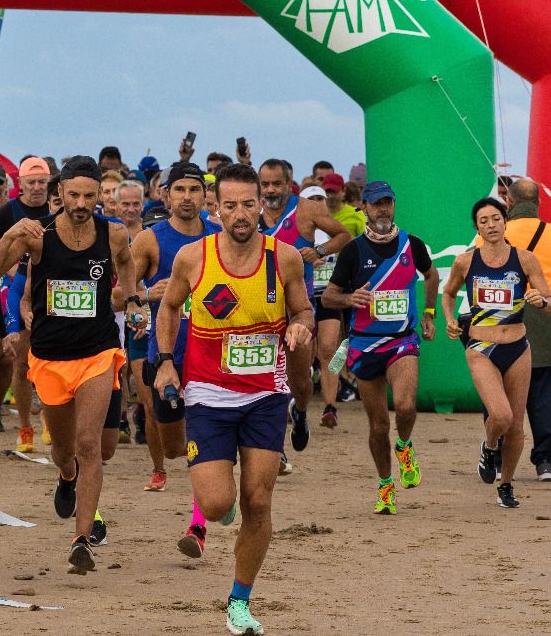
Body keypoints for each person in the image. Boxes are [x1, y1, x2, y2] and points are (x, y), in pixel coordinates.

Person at [150, 163, 312, 636]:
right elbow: (170, 306)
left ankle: (239, 602)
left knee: (258, 500)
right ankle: (220, 511)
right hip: (207, 394)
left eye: (249, 204)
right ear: (214, 207)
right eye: (231, 205)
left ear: (261, 204)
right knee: (219, 505)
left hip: (265, 394)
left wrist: (300, 323)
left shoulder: (284, 259)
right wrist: (164, 361)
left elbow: (302, 305)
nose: (241, 214)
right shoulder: (192, 258)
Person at [0, 156, 135, 573]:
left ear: (100, 195)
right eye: (74, 195)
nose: (82, 203)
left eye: (90, 195)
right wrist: (12, 232)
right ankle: (66, 476)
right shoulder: (37, 236)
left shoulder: (114, 233)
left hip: (99, 353)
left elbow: (125, 263)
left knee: (90, 447)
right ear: (60, 194)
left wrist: (135, 299)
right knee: (64, 451)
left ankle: (82, 538)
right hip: (49, 357)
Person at [321, 181, 438, 514]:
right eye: (376, 204)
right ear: (365, 209)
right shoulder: (353, 251)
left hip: (402, 341)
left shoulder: (411, 244)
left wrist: (429, 313)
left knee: (404, 407)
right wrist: (349, 298)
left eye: (388, 203)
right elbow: (329, 296)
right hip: (365, 345)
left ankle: (404, 446)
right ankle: (386, 485)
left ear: (394, 205)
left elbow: (431, 276)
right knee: (377, 426)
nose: (383, 209)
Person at [442, 197, 551, 508]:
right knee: (501, 415)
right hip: (481, 348)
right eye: (484, 221)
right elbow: (449, 293)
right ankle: (489, 445)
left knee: (517, 424)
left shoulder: (525, 260)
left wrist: (540, 301)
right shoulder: (466, 262)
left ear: (505, 221)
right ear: (476, 227)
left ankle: (505, 485)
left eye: (496, 219)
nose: (491, 225)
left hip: (518, 348)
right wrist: (451, 320)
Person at [126, 161, 218, 555]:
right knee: (176, 447)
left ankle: (199, 524)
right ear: (165, 195)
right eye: (178, 189)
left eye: (193, 190)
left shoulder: (221, 235)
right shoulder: (150, 240)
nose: (186, 197)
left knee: (207, 439)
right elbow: (119, 295)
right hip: (164, 357)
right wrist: (147, 295)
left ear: (204, 196)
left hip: (213, 355)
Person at [258, 158, 349, 458]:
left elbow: (344, 235)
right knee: (265, 376)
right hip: (259, 309)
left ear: (289, 183)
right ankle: (274, 446)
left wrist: (318, 250)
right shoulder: (248, 211)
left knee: (299, 380)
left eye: (276, 184)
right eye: (265, 184)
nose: (270, 190)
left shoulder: (306, 209)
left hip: (299, 309)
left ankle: (299, 411)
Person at [503, 178, 551, 481]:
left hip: (505, 316)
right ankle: (547, 461)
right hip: (549, 315)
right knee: (550, 390)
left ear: (509, 202)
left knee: (502, 388)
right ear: (539, 204)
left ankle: (496, 456)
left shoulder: (495, 233)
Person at [0, 155, 54, 450]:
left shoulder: (59, 210)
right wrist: (18, 269)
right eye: (31, 182)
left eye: (42, 182)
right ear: (20, 184)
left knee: (52, 362)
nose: (37, 188)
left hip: (51, 295)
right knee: (21, 363)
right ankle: (25, 426)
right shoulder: (6, 213)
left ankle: (50, 420)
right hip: (16, 288)